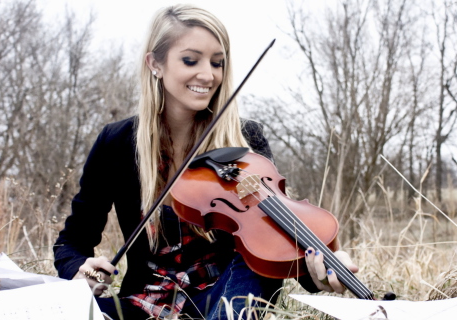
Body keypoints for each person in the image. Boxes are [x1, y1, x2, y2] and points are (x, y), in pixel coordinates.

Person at [53, 4, 358, 320]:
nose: (208, 75)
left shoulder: (246, 140)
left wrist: (320, 267)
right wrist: (79, 270)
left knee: (255, 263)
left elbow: (276, 239)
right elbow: (72, 242)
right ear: (155, 63)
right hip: (141, 304)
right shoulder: (116, 142)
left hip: (222, 299)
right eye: (190, 60)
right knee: (62, 309)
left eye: (217, 63)